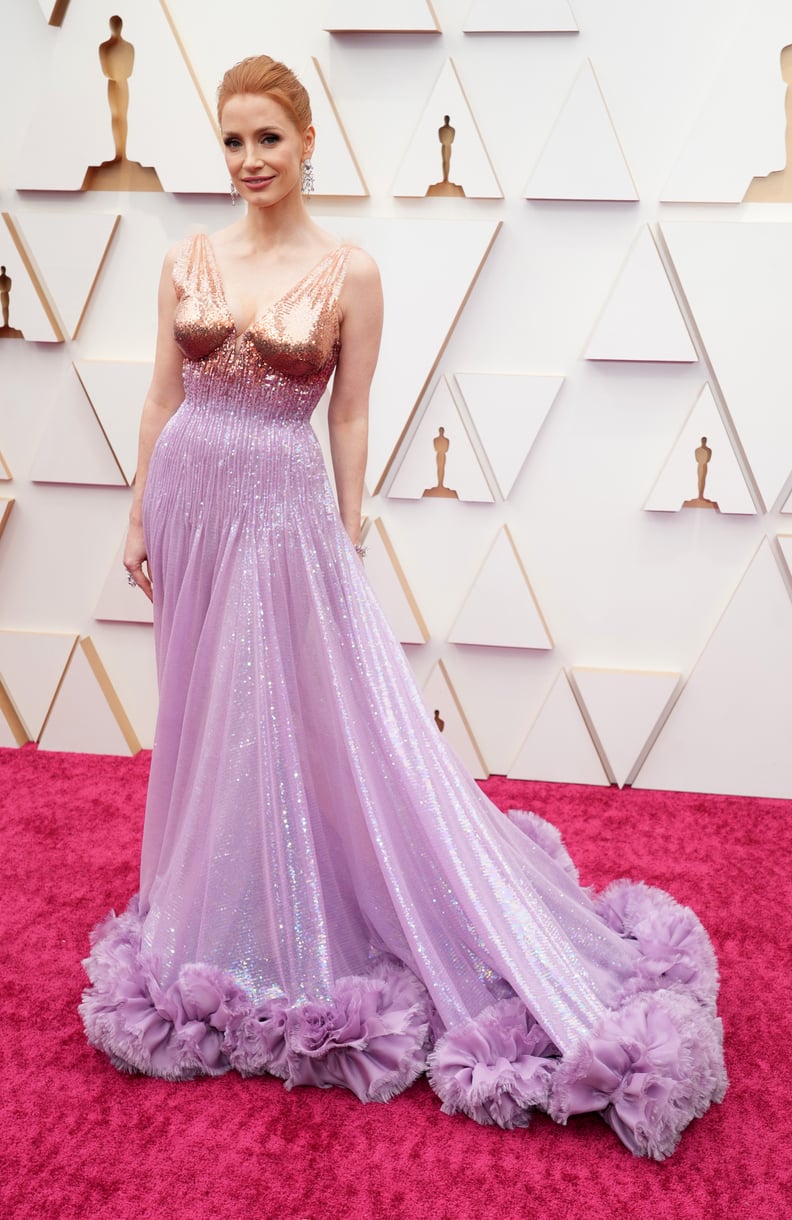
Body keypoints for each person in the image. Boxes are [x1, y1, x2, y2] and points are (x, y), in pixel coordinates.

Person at [81, 55, 726, 1161]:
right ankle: (206, 906)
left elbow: (349, 418)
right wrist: (138, 515)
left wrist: (344, 530)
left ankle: (300, 904)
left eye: (268, 140)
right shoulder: (184, 258)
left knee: (299, 711)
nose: (248, 162)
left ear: (308, 141)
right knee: (199, 707)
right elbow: (158, 394)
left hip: (285, 512)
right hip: (190, 501)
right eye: (232, 141)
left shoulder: (350, 272)